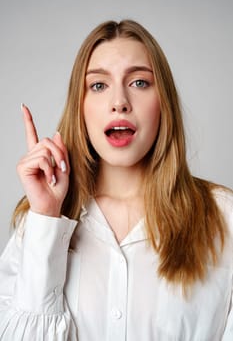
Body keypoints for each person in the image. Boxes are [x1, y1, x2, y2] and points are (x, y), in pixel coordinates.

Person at [0, 19, 232, 341]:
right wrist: (46, 218)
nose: (119, 101)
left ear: (163, 102)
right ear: (79, 107)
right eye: (98, 85)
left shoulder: (224, 217)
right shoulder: (38, 222)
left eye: (139, 82)